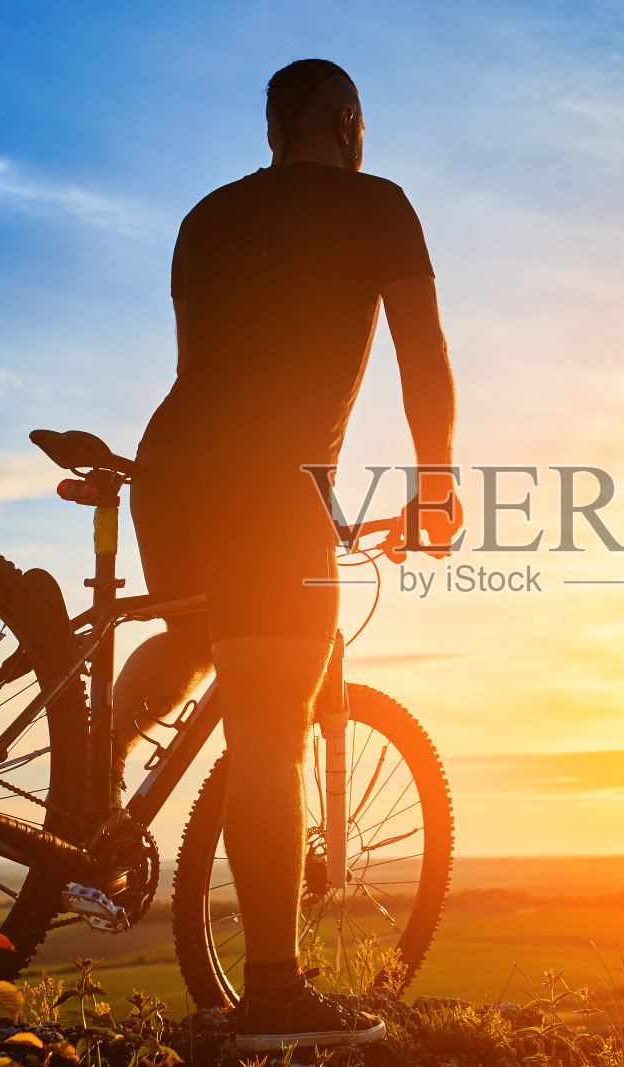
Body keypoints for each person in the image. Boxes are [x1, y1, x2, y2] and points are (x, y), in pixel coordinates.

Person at [112, 58, 460, 1051]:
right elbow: (422, 354)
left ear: (273, 129)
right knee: (270, 721)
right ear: (346, 121)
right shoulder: (376, 204)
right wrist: (434, 482)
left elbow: (206, 363)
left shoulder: (206, 216)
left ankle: (92, 814)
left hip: (171, 463)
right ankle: (271, 991)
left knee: (193, 640)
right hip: (271, 481)